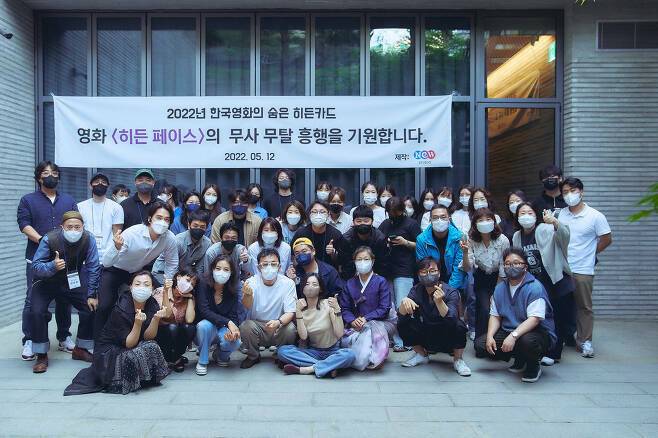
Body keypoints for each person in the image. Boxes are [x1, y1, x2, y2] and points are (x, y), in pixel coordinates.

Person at [65, 271, 170, 395]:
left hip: (130, 345)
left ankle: (143, 378)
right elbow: (129, 343)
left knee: (152, 345)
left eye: (146, 284)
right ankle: (125, 380)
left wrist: (155, 319)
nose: (142, 288)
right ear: (131, 287)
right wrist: (137, 323)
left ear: (152, 288)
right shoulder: (121, 309)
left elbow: (148, 336)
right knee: (138, 352)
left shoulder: (151, 302)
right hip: (110, 352)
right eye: (137, 284)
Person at [17, 161, 78, 360]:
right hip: (37, 259)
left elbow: (75, 224)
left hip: (65, 259)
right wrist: (44, 241)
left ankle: (64, 336)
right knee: (32, 300)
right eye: (45, 172)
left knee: (64, 299)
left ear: (58, 177)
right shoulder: (28, 200)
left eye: (54, 172)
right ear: (38, 177)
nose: (50, 175)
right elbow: (24, 224)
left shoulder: (68, 200)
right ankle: (29, 339)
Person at [95, 202, 179, 340]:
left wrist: (167, 285)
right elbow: (107, 262)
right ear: (150, 218)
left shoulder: (169, 238)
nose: (162, 222)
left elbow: (172, 262)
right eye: (159, 218)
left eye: (166, 219)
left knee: (157, 301)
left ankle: (148, 338)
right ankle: (100, 343)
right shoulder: (133, 233)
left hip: (137, 272)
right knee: (105, 305)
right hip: (114, 270)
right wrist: (116, 247)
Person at [29, 211, 100, 373]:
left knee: (90, 306)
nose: (73, 230)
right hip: (46, 282)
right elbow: (36, 266)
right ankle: (41, 355)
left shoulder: (88, 239)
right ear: (62, 227)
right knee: (36, 312)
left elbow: (94, 267)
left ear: (83, 227)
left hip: (72, 280)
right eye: (69, 227)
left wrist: (92, 294)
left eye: (77, 227)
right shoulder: (49, 239)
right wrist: (52, 266)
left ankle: (80, 349)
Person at [474, 249, 557, 383]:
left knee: (527, 342)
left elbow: (534, 319)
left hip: (537, 332)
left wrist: (513, 336)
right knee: (481, 345)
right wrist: (490, 336)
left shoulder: (535, 287)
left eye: (517, 263)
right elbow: (495, 316)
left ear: (525, 266)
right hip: (510, 330)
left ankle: (533, 365)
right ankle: (520, 358)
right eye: (507, 263)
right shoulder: (500, 288)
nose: (511, 266)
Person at [513, 202, 575, 365]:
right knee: (540, 317)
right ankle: (540, 349)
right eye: (522, 213)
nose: (526, 216)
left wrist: (554, 222)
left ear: (536, 215)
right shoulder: (517, 236)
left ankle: (555, 353)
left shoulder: (545, 229)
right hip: (535, 284)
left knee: (558, 317)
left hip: (555, 279)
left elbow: (565, 237)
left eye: (530, 212)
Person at [558, 177, 612, 358]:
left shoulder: (595, 216)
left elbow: (606, 239)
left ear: (581, 191)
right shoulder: (560, 214)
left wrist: (590, 253)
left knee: (584, 307)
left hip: (583, 269)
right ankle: (562, 337)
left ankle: (585, 340)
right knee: (561, 305)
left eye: (573, 190)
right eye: (565, 192)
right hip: (563, 269)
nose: (569, 195)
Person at [397, 258, 471, 376]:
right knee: (403, 323)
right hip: (426, 335)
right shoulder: (416, 290)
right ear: (419, 275)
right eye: (424, 272)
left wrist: (439, 302)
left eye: (432, 271)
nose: (428, 275)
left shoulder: (451, 291)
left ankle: (458, 360)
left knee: (459, 325)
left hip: (447, 337)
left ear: (439, 273)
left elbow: (452, 319)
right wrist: (404, 302)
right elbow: (401, 316)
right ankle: (421, 355)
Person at [278, 274, 355, 378]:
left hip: (333, 350)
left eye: (314, 284)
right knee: (282, 351)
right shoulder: (301, 308)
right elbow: (303, 336)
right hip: (313, 351)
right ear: (303, 288)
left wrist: (337, 309)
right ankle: (329, 367)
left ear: (320, 289)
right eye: (307, 284)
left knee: (350, 355)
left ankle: (308, 369)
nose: (310, 287)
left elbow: (339, 334)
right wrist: (298, 311)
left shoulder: (328, 304)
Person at [339, 246, 398, 370]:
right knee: (346, 338)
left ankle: (376, 357)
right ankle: (364, 357)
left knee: (370, 330)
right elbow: (345, 308)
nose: (362, 262)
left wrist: (366, 318)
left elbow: (384, 308)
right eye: (359, 259)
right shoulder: (350, 283)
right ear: (354, 262)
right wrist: (352, 320)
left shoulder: (381, 281)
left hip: (382, 322)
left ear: (373, 261)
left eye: (366, 259)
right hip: (357, 324)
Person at [239, 248, 297, 369]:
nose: (269, 267)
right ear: (259, 267)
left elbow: (290, 312)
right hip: (257, 326)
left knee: (290, 328)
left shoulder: (288, 283)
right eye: (265, 264)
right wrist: (247, 295)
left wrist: (278, 322)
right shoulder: (251, 282)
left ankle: (280, 355)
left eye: (273, 264)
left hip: (278, 325)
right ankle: (253, 356)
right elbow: (246, 306)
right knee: (245, 326)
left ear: (279, 267)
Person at [378, 197, 421, 351]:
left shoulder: (411, 224)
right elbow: (378, 240)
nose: (393, 215)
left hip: (405, 269)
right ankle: (394, 339)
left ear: (402, 210)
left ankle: (407, 340)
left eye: (395, 212)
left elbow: (421, 245)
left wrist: (405, 242)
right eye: (390, 212)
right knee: (389, 307)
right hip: (387, 269)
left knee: (403, 305)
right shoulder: (385, 224)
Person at [460, 208, 510, 339]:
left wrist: (496, 291)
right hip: (481, 278)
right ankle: (481, 340)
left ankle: (498, 339)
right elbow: (467, 267)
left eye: (488, 219)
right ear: (475, 224)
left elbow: (503, 266)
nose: (485, 222)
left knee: (497, 307)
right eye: (480, 220)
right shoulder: (471, 240)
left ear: (494, 221)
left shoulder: (503, 240)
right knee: (484, 308)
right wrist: (464, 252)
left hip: (499, 278)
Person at [195, 255, 243, 375]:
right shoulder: (203, 283)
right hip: (206, 327)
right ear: (212, 269)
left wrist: (233, 331)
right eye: (218, 268)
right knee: (203, 326)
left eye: (226, 269)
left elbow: (233, 315)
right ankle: (202, 361)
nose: (221, 272)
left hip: (222, 328)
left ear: (231, 273)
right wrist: (228, 322)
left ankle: (221, 356)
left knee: (235, 341)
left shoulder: (233, 290)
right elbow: (204, 311)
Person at [153, 270, 197, 372]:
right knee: (172, 327)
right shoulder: (160, 291)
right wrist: (165, 291)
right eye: (187, 280)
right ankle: (168, 357)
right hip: (159, 332)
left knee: (190, 328)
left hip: (177, 333)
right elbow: (166, 315)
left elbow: (189, 319)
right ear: (178, 277)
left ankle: (176, 357)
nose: (189, 285)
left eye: (192, 284)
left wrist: (190, 297)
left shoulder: (189, 297)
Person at [153, 210, 211, 284]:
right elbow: (171, 266)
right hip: (162, 272)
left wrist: (193, 281)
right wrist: (176, 283)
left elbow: (199, 268)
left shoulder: (207, 243)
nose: (198, 229)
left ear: (206, 228)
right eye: (195, 226)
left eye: (202, 227)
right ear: (189, 225)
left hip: (182, 275)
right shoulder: (178, 241)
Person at [416, 204, 466, 289]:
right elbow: (423, 268)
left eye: (443, 217)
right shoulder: (421, 240)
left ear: (449, 219)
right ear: (430, 220)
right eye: (435, 218)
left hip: (455, 283)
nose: (439, 220)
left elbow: (459, 268)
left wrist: (449, 291)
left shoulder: (459, 237)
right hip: (430, 282)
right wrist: (433, 289)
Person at [292, 201, 349, 272]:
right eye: (314, 212)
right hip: (305, 272)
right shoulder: (301, 233)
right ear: (310, 214)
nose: (318, 215)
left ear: (328, 214)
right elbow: (293, 256)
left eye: (322, 212)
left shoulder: (336, 234)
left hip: (328, 273)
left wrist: (333, 253)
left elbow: (344, 260)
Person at [78, 173, 124, 260]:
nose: (100, 184)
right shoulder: (80, 206)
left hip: (109, 255)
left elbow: (117, 234)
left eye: (103, 182)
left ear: (108, 186)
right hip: (86, 255)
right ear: (90, 186)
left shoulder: (116, 207)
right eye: (96, 182)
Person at [341, 205, 389, 280]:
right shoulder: (346, 239)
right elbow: (346, 264)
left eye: (366, 221)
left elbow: (382, 264)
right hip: (352, 275)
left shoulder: (380, 239)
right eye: (359, 221)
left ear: (372, 221)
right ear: (353, 222)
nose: (362, 223)